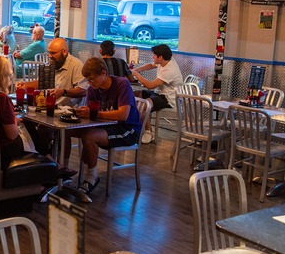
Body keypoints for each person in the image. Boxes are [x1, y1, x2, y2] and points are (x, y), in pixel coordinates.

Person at [73, 57, 140, 194]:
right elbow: (92, 116)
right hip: (105, 126)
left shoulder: (122, 83)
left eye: (92, 79)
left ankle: (91, 176)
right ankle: (61, 171)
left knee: (89, 137)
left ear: (103, 73)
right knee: (65, 132)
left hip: (127, 129)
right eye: (87, 80)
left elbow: (123, 115)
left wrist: (94, 113)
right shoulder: (92, 89)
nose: (90, 83)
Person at [22, 37, 87, 171]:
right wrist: (25, 85)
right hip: (50, 108)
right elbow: (42, 82)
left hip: (69, 112)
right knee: (26, 122)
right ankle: (42, 164)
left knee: (44, 130)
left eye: (53, 53)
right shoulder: (53, 64)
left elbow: (83, 91)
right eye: (49, 53)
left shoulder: (76, 65)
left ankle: (59, 167)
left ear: (64, 51)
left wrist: (63, 92)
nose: (50, 57)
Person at [131, 44, 183, 144]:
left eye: (154, 55)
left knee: (144, 105)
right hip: (159, 92)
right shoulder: (164, 61)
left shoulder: (170, 71)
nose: (152, 57)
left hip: (169, 98)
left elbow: (150, 85)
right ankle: (135, 126)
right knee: (134, 95)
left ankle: (148, 132)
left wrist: (136, 75)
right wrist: (136, 70)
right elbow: (151, 65)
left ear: (160, 57)